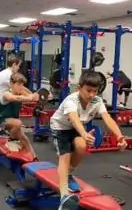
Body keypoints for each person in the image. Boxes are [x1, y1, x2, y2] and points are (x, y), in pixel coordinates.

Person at [50, 70, 128, 210]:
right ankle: (64, 195)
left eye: (95, 91)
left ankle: (68, 174)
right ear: (79, 88)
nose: (92, 94)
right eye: (88, 90)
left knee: (81, 147)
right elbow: (73, 118)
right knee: (65, 156)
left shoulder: (97, 101)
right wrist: (84, 134)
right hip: (60, 127)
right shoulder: (71, 100)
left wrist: (120, 136)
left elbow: (108, 119)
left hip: (76, 128)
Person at [0, 53, 32, 135]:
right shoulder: (9, 75)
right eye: (18, 66)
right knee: (15, 99)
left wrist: (31, 95)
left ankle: (2, 128)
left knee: (13, 96)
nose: (19, 68)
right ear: (14, 65)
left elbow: (20, 87)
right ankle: (9, 127)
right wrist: (32, 95)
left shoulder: (5, 72)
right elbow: (21, 89)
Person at [0, 73, 39, 159]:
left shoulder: (20, 92)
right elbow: (13, 98)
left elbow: (31, 95)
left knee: (25, 139)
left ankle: (34, 157)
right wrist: (30, 97)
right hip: (1, 120)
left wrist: (35, 95)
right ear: (11, 84)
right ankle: (11, 140)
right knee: (18, 123)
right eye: (18, 84)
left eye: (22, 85)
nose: (20, 87)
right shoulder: (6, 94)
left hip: (12, 122)